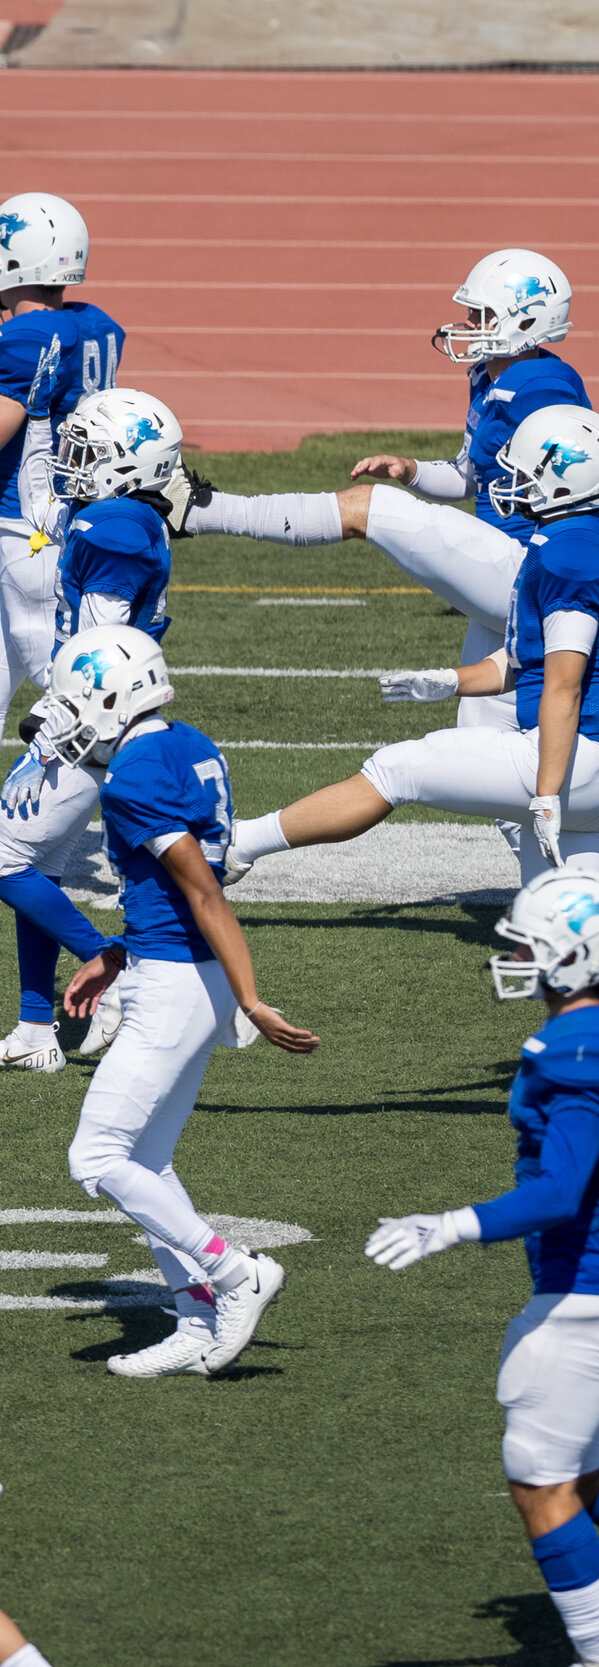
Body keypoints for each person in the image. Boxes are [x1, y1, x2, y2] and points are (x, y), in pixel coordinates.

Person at [363, 870, 599, 1667]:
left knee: (539, 1483)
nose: (515, 953)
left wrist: (451, 1225)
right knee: (578, 1473)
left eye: (529, 942)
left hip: (591, 1284)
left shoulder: (581, 1051)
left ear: (574, 954)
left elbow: (560, 1191)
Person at [45, 625, 316, 1378]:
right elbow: (180, 890)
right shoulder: (188, 741)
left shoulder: (131, 776)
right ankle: (197, 1317)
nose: (63, 718)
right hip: (177, 970)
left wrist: (253, 998)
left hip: (179, 982)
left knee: (94, 1156)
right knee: (146, 1159)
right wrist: (116, 955)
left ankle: (235, 1275)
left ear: (112, 695)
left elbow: (204, 890)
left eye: (73, 702)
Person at [223, 406, 599, 886]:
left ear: (569, 479)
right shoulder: (593, 533)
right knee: (561, 925)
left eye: (528, 472)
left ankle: (238, 845)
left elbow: (564, 687)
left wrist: (547, 794)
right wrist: (451, 682)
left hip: (571, 766)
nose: (516, 481)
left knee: (397, 770)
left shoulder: (572, 555)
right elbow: (533, 657)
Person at [185, 249, 588, 741]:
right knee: (491, 745)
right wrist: (412, 470)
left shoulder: (543, 387)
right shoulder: (491, 376)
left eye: (481, 316)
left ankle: (202, 512)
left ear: (526, 321)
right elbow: (468, 476)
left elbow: (580, 484)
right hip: (504, 565)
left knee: (366, 507)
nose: (468, 325)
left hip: (529, 566)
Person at [0, 388, 182, 1073]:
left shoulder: (116, 528)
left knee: (4, 857)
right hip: (94, 708)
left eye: (89, 451)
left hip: (95, 715)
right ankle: (36, 1027)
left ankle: (116, 963)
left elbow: (102, 635)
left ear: (128, 465)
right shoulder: (117, 515)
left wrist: (58, 718)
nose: (75, 461)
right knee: (34, 861)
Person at [0, 190, 124, 706]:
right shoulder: (93, 324)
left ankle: (154, 783)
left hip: (24, 531)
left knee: (75, 701)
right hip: (60, 521)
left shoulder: (31, 336)